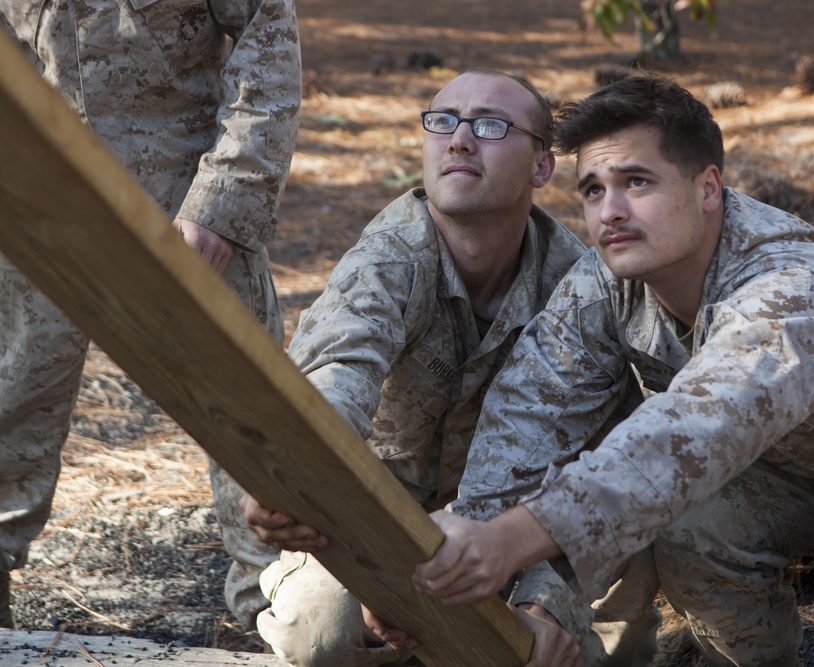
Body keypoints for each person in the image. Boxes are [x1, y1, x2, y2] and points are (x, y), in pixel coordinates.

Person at [413, 74, 814, 667]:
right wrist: (461, 563)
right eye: (592, 190)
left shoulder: (790, 288)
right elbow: (527, 418)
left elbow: (691, 431)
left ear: (708, 188)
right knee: (689, 534)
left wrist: (507, 542)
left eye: (636, 182)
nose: (610, 211)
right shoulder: (604, 281)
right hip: (798, 459)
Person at [240, 68, 612, 667]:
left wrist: (545, 608)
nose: (459, 140)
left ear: (543, 167)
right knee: (320, 634)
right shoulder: (390, 257)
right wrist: (297, 470)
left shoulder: (578, 286)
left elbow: (591, 463)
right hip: (373, 516)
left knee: (566, 654)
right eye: (442, 122)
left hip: (515, 530)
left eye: (490, 126)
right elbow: (336, 371)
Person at [0, 0, 301, 631]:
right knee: (11, 390)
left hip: (183, 202)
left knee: (251, 407)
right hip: (33, 194)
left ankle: (278, 597)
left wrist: (224, 201)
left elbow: (266, 36)